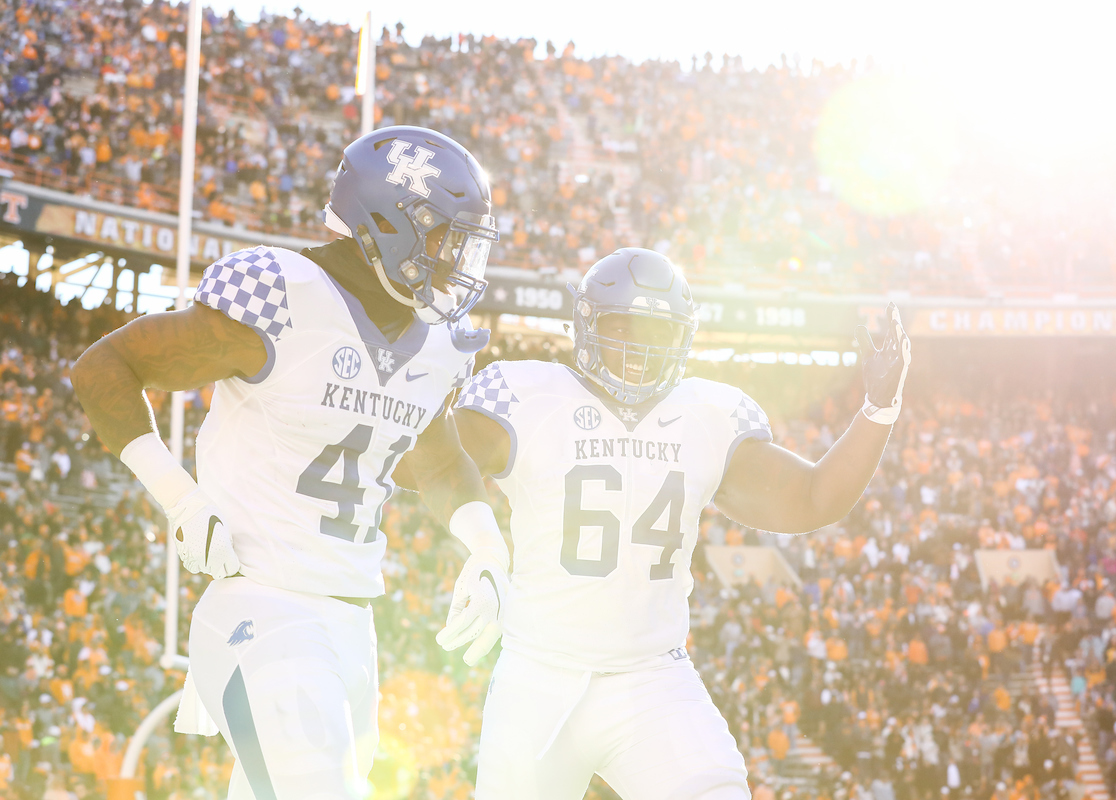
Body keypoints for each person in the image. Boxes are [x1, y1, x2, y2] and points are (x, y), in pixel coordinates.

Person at [70, 126, 511, 799]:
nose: (457, 261)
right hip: (263, 609)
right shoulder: (280, 295)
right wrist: (180, 498)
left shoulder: (440, 344)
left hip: (353, 626)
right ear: (390, 224)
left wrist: (486, 547)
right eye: (446, 239)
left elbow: (442, 463)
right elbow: (105, 366)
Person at [443, 248, 911, 799]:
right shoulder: (526, 395)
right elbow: (431, 462)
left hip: (652, 677)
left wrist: (879, 410)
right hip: (538, 673)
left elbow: (814, 499)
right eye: (623, 325)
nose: (639, 347)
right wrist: (430, 390)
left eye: (657, 331)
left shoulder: (706, 415)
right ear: (588, 323)